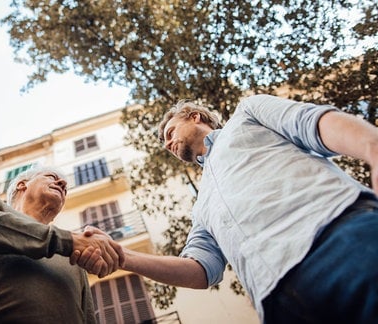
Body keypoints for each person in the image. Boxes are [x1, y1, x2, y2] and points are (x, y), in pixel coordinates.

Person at [75, 94, 378, 323]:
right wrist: (122, 255)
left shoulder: (247, 113)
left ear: (194, 116)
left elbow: (313, 123)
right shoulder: (201, 206)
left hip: (338, 239)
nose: (168, 144)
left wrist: (372, 148)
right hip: (279, 304)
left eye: (170, 132)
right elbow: (201, 271)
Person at [0, 166, 124, 323]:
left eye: (65, 188)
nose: (63, 184)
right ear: (21, 185)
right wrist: (68, 240)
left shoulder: (73, 255)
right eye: (52, 177)